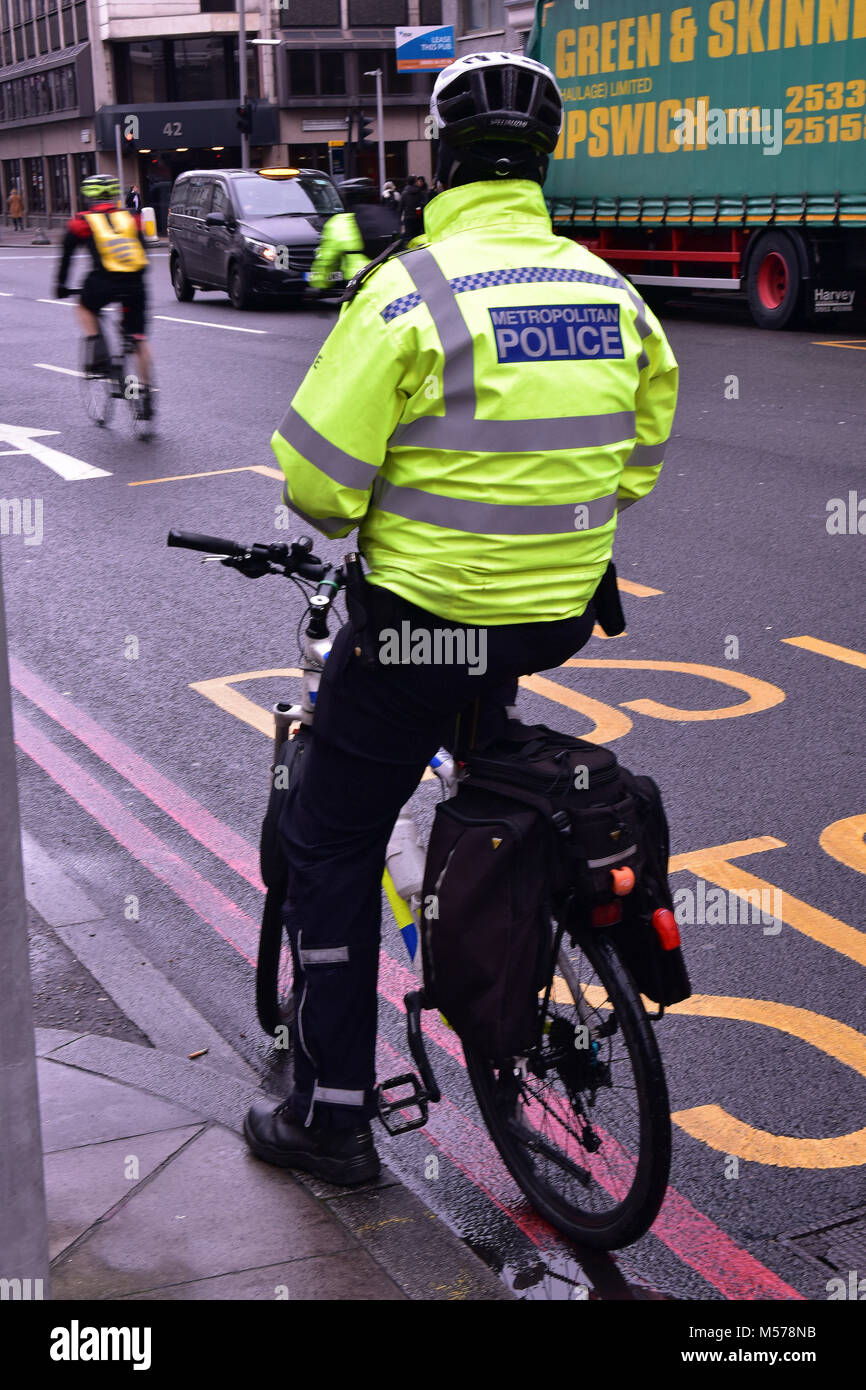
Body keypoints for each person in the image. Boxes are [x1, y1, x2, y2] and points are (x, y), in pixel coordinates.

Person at [244, 51, 678, 1184]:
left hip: (423, 622)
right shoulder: (608, 290)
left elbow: (317, 486)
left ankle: (332, 1114)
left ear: (443, 159)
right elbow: (633, 465)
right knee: (482, 760)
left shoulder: (410, 290)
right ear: (543, 161)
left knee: (330, 839)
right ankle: (504, 917)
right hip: (549, 617)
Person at [54, 172, 154, 420]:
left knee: (84, 305)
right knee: (137, 338)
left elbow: (66, 258)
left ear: (87, 196)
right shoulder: (131, 217)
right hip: (135, 282)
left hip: (102, 282)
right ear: (114, 194)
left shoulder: (81, 222)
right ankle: (144, 394)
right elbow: (141, 249)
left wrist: (61, 285)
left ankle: (97, 350)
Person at [308, 180, 400, 293]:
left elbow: (326, 261)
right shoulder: (387, 214)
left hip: (361, 284)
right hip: (394, 282)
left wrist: (318, 283)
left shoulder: (339, 223)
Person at [399, 174, 428, 239]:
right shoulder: (419, 192)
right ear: (415, 182)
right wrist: (418, 215)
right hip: (416, 217)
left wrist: (400, 217)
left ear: (407, 182)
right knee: (416, 236)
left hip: (407, 217)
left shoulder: (404, 193)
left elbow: (401, 207)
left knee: (409, 236)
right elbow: (419, 206)